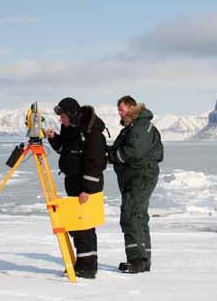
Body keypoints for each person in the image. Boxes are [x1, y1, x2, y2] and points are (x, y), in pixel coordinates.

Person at [46, 98, 107, 279]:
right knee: (77, 225)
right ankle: (82, 263)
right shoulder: (71, 129)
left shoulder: (92, 133)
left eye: (62, 116)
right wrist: (53, 138)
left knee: (85, 226)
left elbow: (95, 163)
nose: (60, 120)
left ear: (71, 114)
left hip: (86, 187)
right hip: (73, 184)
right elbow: (65, 150)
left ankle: (87, 267)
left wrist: (87, 189)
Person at [108, 95, 163, 274]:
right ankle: (143, 260)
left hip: (141, 175)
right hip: (135, 176)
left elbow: (133, 151)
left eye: (122, 110)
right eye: (119, 110)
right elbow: (120, 148)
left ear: (132, 108)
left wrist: (112, 156)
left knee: (131, 215)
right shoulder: (132, 127)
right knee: (138, 215)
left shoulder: (140, 126)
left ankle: (137, 260)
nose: (120, 113)